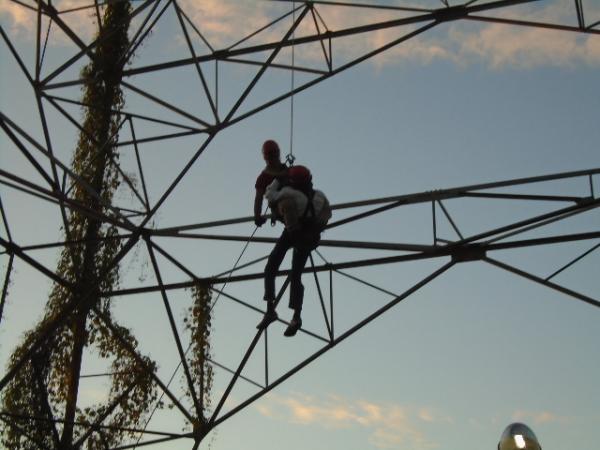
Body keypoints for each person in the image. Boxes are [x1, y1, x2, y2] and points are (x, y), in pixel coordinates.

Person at [256, 165, 331, 336]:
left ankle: (270, 310)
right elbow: (327, 215)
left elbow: (270, 194)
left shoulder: (290, 194)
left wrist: (278, 179)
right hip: (307, 237)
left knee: (271, 266)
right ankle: (296, 316)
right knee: (296, 276)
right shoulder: (319, 196)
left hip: (292, 233)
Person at [254, 140, 288, 227]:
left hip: (296, 203)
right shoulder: (263, 178)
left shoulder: (287, 170)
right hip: (282, 207)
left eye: (275, 153)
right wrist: (257, 216)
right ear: (266, 157)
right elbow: (258, 199)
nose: (273, 156)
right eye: (270, 153)